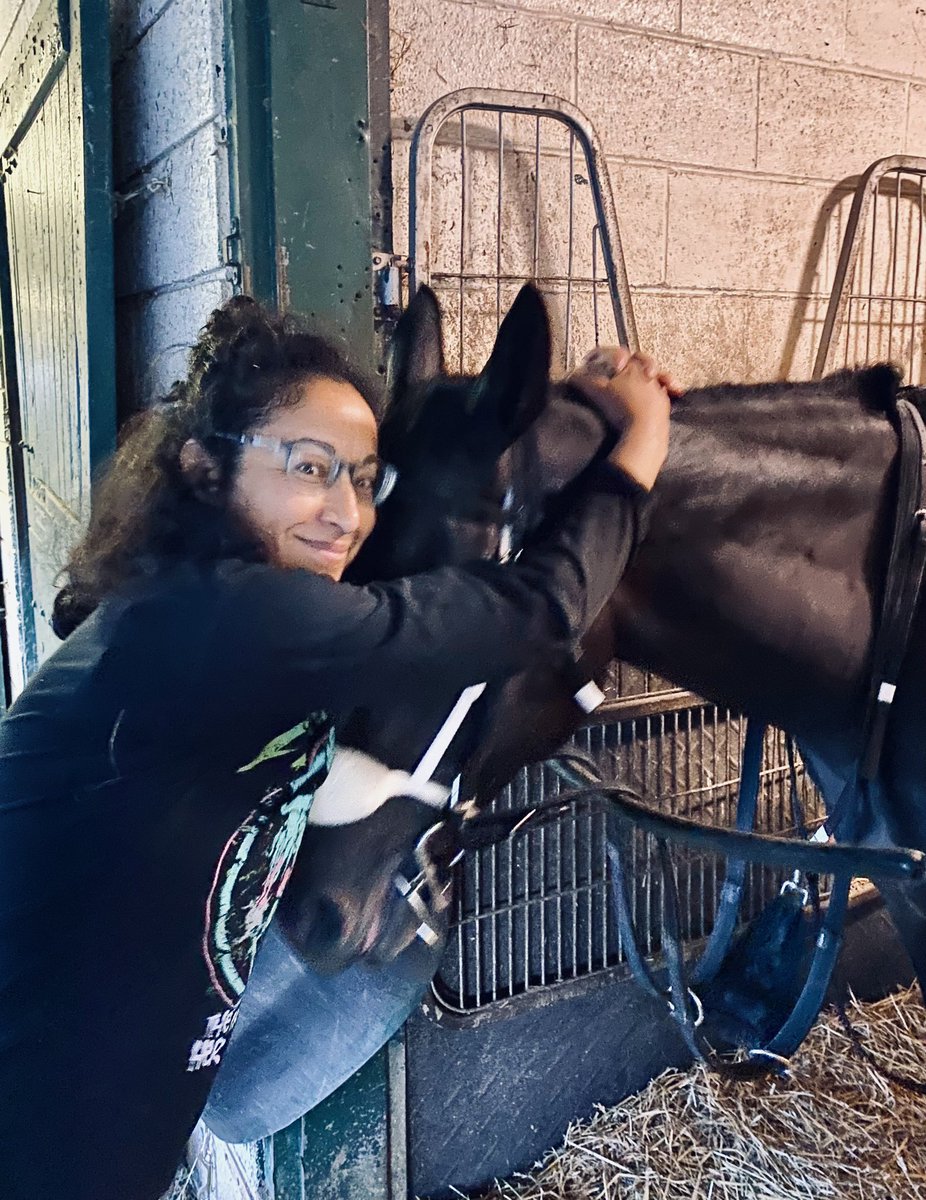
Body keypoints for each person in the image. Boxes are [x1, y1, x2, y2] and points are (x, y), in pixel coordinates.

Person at [0, 296, 671, 1200]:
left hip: (105, 1100)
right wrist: (641, 443)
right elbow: (537, 615)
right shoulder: (233, 617)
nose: (347, 514)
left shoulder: (211, 619)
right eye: (311, 468)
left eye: (364, 479)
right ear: (205, 470)